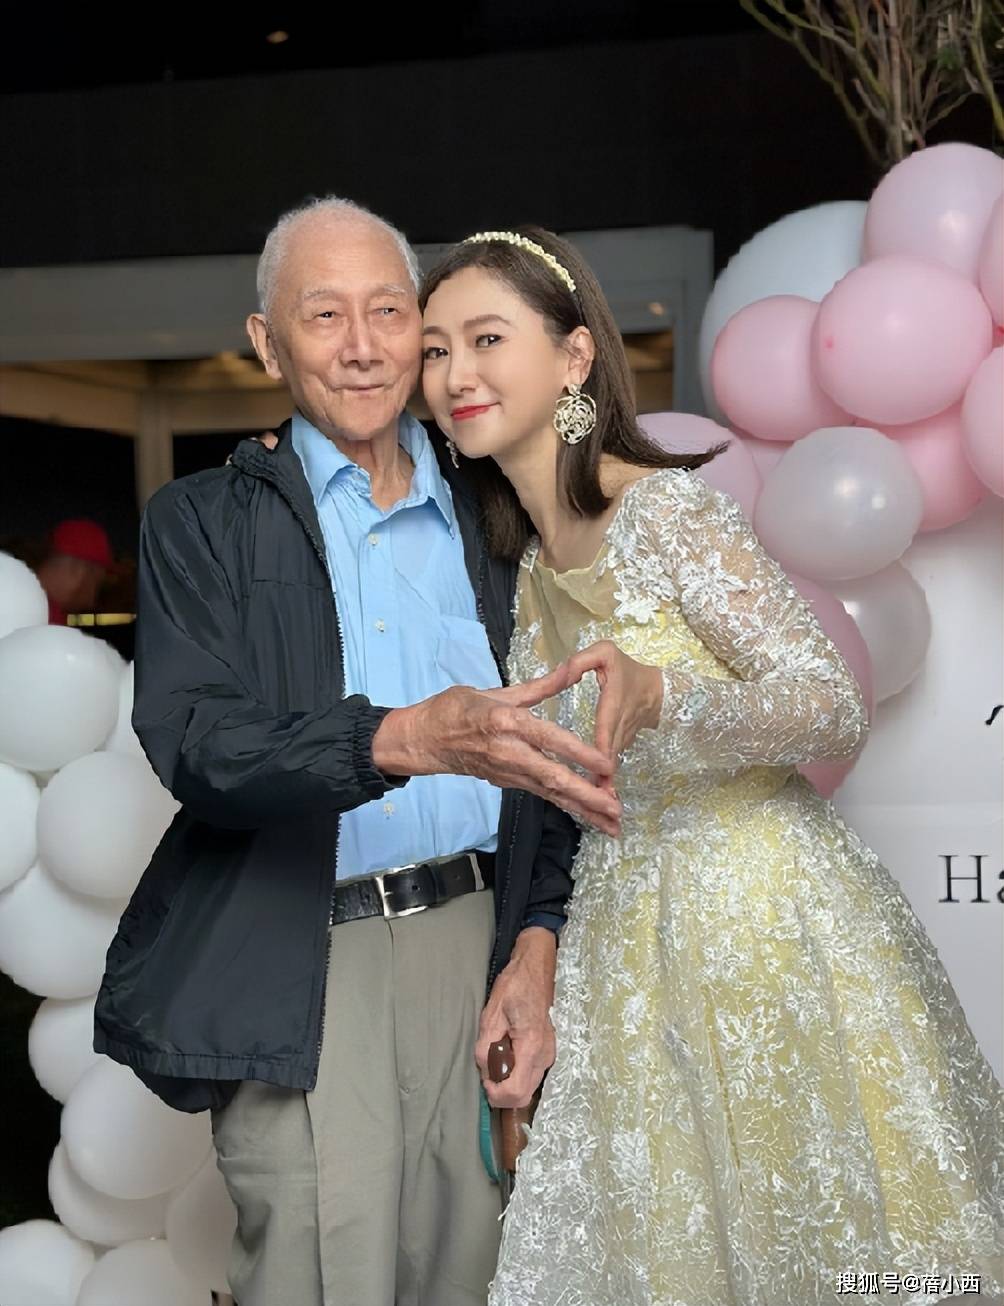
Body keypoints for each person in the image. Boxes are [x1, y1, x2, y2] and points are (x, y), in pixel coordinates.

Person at [420, 226, 1004, 1306]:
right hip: (622, 950)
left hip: (759, 926)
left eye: (486, 338)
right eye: (435, 348)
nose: (456, 373)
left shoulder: (665, 511)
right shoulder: (527, 563)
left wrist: (666, 697)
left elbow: (830, 701)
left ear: (575, 356)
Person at [94, 198, 623, 1306]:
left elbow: (569, 750)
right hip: (304, 954)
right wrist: (404, 736)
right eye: (323, 314)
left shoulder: (498, 507)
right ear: (266, 342)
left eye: (389, 311)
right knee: (312, 1275)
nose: (363, 345)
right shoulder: (202, 521)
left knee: (486, 1272)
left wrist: (536, 942)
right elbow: (197, 744)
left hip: (483, 945)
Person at [35, 517, 114, 623]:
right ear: (78, 570)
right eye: (95, 584)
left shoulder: (22, 599)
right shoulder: (45, 618)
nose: (90, 601)